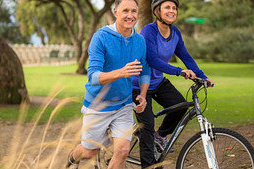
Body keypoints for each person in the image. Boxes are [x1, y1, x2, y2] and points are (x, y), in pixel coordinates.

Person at [66, 0, 150, 168]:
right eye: (125, 10)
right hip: (97, 105)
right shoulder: (101, 37)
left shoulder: (139, 41)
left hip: (123, 104)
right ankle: (74, 155)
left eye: (134, 11)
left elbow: (145, 69)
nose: (130, 15)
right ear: (115, 12)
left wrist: (143, 94)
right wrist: (121, 72)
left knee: (123, 150)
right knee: (90, 152)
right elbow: (93, 77)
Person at [132, 0, 215, 168]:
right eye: (167, 7)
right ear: (157, 11)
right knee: (146, 128)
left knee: (181, 106)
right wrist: (179, 71)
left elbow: (185, 57)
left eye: (174, 8)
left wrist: (202, 77)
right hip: (138, 85)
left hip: (158, 81)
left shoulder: (174, 32)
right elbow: (152, 60)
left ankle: (160, 135)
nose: (171, 11)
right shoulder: (149, 31)